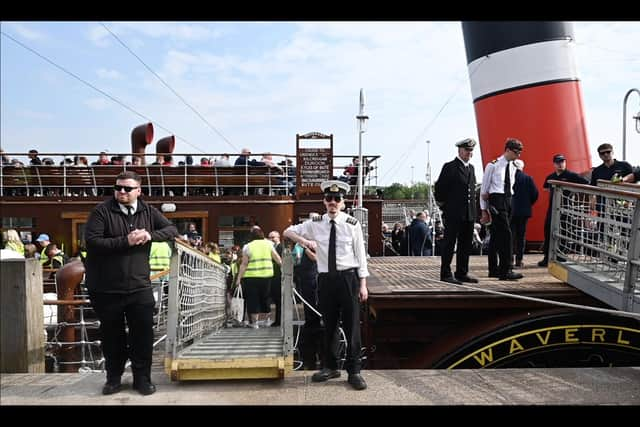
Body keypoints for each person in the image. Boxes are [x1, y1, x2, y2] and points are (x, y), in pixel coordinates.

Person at [85, 171, 178, 396]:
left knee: (143, 335)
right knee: (112, 336)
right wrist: (126, 241)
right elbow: (93, 242)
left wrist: (149, 235)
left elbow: (172, 230)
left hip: (139, 286)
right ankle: (113, 379)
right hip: (107, 288)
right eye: (118, 188)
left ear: (139, 191)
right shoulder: (101, 212)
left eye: (127, 189)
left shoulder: (148, 211)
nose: (121, 192)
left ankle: (142, 379)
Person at [283, 180, 369, 390]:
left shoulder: (352, 224)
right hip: (326, 279)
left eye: (336, 199)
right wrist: (305, 242)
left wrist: (363, 284)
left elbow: (361, 255)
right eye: (329, 198)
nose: (332, 202)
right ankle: (330, 366)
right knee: (328, 324)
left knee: (351, 326)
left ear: (343, 202)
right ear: (324, 201)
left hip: (348, 278)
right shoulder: (316, 223)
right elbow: (287, 232)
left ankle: (354, 370)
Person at [434, 138, 478, 284]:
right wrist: (445, 208)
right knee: (449, 244)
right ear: (460, 150)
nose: (469, 153)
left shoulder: (471, 168)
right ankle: (445, 274)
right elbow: (439, 190)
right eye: (466, 150)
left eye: (471, 151)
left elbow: (472, 192)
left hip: (468, 214)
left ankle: (461, 272)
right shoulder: (450, 167)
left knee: (466, 244)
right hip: (454, 213)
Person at [480, 138, 523, 281]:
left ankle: (493, 269)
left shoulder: (513, 166)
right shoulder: (493, 166)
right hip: (496, 200)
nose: (518, 156)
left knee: (497, 236)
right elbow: (484, 190)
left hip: (508, 199)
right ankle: (507, 269)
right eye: (516, 152)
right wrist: (484, 210)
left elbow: (510, 185)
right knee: (507, 235)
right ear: (508, 150)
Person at [537, 154, 589, 267]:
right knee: (548, 231)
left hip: (566, 208)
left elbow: (586, 183)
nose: (560, 164)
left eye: (562, 161)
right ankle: (547, 256)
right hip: (552, 208)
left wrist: (575, 192)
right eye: (558, 162)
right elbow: (545, 188)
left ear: (565, 162)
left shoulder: (571, 175)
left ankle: (561, 256)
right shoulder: (550, 177)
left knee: (564, 231)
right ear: (554, 164)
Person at [235, 226, 282, 328]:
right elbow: (277, 258)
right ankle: (266, 320)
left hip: (251, 277)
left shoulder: (247, 246)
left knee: (253, 299)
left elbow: (244, 264)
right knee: (265, 298)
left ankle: (255, 323)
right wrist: (284, 269)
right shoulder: (269, 244)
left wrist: (238, 278)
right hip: (267, 276)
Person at [510, 159, 538, 268]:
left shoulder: (509, 178)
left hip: (510, 211)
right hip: (524, 211)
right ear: (522, 167)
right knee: (521, 236)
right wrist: (528, 204)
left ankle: (510, 260)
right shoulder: (528, 178)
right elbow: (535, 194)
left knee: (510, 236)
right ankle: (519, 260)